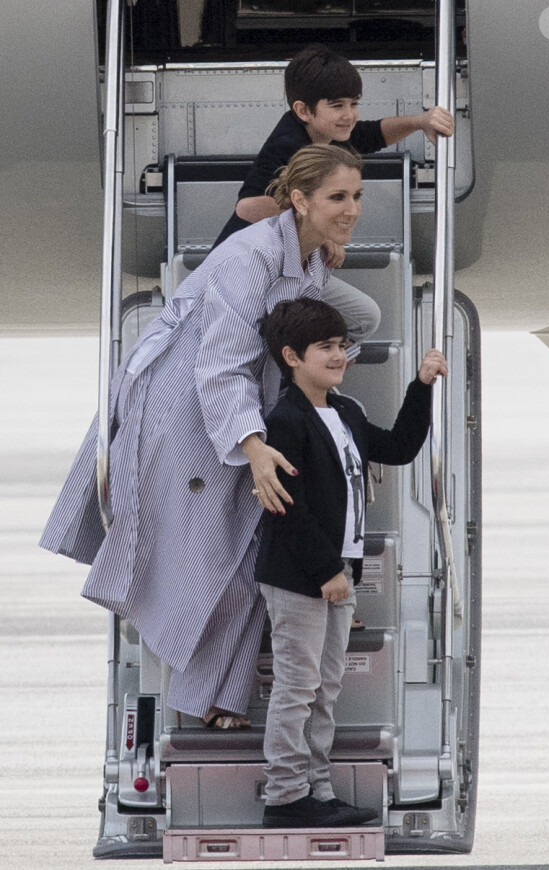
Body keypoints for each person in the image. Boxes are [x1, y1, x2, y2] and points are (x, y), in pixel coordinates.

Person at [39, 144, 368, 730]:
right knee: (209, 552)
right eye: (336, 198)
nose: (351, 209)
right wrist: (251, 446)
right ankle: (209, 698)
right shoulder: (251, 260)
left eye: (356, 197)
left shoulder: (308, 254)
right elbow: (219, 365)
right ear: (299, 199)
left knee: (243, 551)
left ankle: (217, 698)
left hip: (232, 400)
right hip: (184, 399)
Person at [255, 297, 447, 827]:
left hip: (334, 572)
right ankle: (285, 795)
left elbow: (400, 447)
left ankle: (315, 790)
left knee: (325, 686)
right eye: (326, 348)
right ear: (292, 356)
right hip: (301, 576)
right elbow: (287, 511)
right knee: (298, 688)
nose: (339, 356)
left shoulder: (344, 411)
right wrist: (327, 573)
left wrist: (422, 386)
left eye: (342, 346)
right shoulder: (285, 419)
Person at [212, 43, 454, 341]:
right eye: (338, 105)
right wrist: (321, 235)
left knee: (362, 318)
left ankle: (314, 373)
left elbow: (373, 133)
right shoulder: (288, 145)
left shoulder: (328, 133)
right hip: (248, 269)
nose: (349, 115)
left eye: (354, 104)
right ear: (303, 110)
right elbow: (248, 207)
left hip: (290, 266)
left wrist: (420, 121)